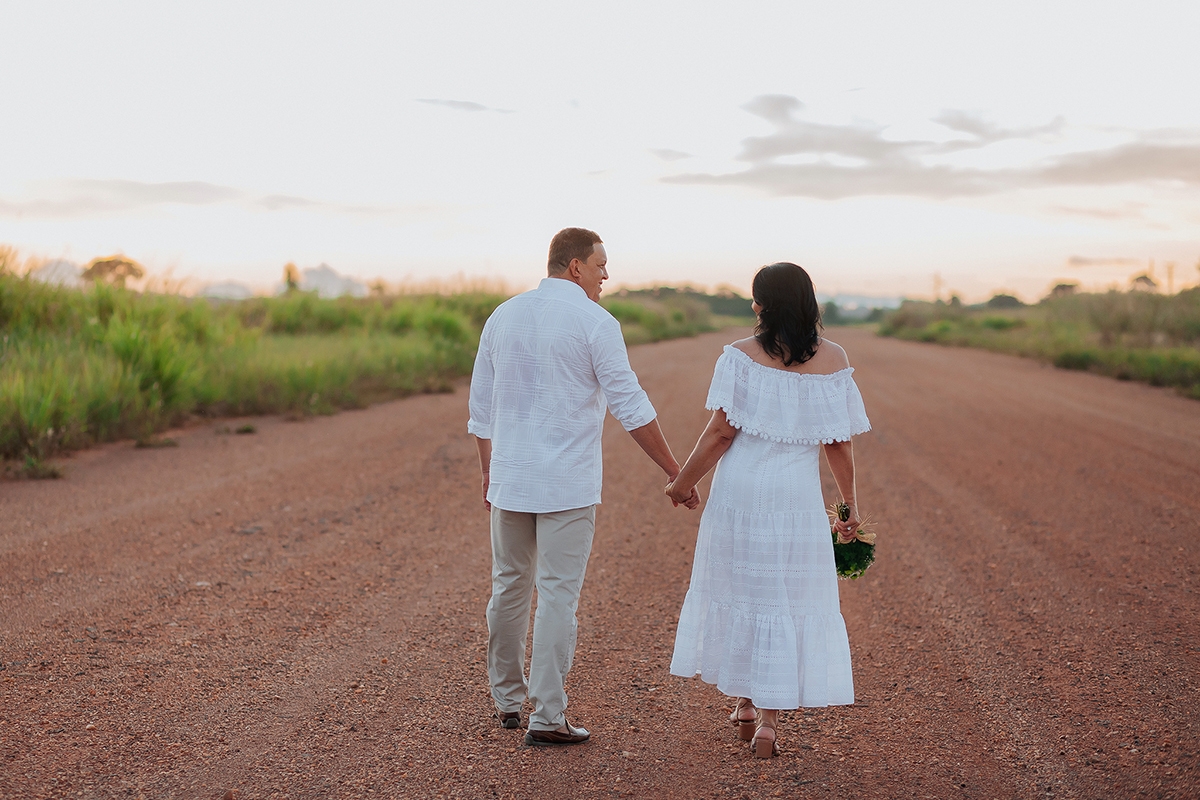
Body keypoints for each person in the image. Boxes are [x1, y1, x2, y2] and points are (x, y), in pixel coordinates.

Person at [468, 227, 698, 747]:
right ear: (575, 267)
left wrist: (489, 470)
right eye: (600, 265)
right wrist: (674, 472)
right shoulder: (596, 322)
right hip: (566, 486)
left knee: (508, 586)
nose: (606, 275)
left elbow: (481, 410)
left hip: (510, 478)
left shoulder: (502, 316)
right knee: (556, 595)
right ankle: (547, 715)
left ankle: (507, 700)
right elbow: (631, 405)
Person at [665, 262, 871, 758]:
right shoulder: (835, 360)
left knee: (745, 586)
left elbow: (720, 433)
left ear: (760, 306)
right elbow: (838, 445)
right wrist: (848, 509)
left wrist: (682, 483)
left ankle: (746, 704)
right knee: (783, 593)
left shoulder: (739, 357)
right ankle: (768, 723)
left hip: (739, 493)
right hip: (795, 499)